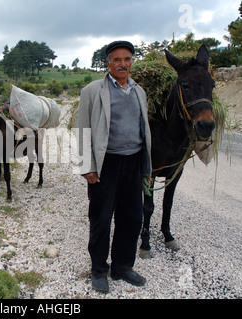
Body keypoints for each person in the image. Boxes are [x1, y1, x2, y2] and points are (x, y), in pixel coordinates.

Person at [76, 41, 152, 293]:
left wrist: (146, 169)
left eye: (127, 59)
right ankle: (99, 270)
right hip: (106, 163)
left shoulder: (139, 91)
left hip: (133, 162)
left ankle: (122, 267)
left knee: (132, 218)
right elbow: (83, 129)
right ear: (108, 63)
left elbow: (144, 131)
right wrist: (88, 166)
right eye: (117, 59)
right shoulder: (92, 91)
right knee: (101, 218)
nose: (123, 64)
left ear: (131, 62)